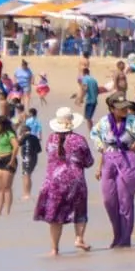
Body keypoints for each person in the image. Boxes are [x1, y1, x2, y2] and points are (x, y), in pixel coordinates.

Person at [89, 95, 135, 249]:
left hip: (128, 160)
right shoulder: (105, 122)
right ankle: (117, 234)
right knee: (108, 200)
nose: (125, 109)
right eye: (121, 107)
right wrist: (101, 147)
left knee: (125, 200)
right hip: (109, 159)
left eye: (126, 106)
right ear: (112, 108)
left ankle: (125, 239)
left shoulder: (134, 121)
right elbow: (94, 134)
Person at [34, 107, 93, 255]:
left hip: (53, 182)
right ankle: (79, 238)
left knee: (55, 216)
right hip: (75, 181)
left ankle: (54, 248)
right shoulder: (79, 140)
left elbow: (50, 154)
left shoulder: (51, 139)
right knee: (79, 211)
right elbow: (89, 161)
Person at [0, 116, 19, 217]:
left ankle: (7, 211)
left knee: (7, 187)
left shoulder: (9, 134)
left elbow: (16, 146)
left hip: (8, 159)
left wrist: (12, 161)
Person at [18, 124, 40, 202]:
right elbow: (39, 150)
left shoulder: (24, 137)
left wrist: (20, 136)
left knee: (26, 175)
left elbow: (18, 143)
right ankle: (26, 193)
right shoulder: (35, 137)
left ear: (23, 131)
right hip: (34, 158)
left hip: (27, 157)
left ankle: (26, 194)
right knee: (27, 175)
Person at [75, 67, 100, 132]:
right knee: (89, 118)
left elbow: (85, 89)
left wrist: (80, 99)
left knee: (88, 118)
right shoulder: (94, 80)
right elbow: (97, 91)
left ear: (83, 73)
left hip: (89, 101)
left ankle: (91, 132)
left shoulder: (85, 79)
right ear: (88, 73)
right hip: (94, 101)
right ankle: (92, 131)